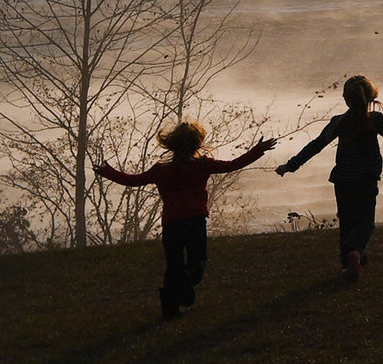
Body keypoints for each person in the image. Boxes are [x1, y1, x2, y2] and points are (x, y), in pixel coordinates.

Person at [94, 121, 274, 320]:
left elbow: (133, 181)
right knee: (197, 263)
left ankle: (170, 310)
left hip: (172, 224)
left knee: (173, 266)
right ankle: (185, 285)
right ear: (196, 145)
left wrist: (107, 172)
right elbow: (233, 165)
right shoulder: (203, 165)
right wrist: (258, 150)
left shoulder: (160, 171)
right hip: (195, 222)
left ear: (170, 145)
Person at [275, 75, 383, 280]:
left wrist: (289, 166)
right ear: (370, 97)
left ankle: (351, 264)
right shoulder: (375, 120)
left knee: (347, 222)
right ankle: (355, 253)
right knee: (365, 222)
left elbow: (315, 146)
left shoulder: (338, 122)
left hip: (343, 180)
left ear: (346, 99)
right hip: (366, 178)